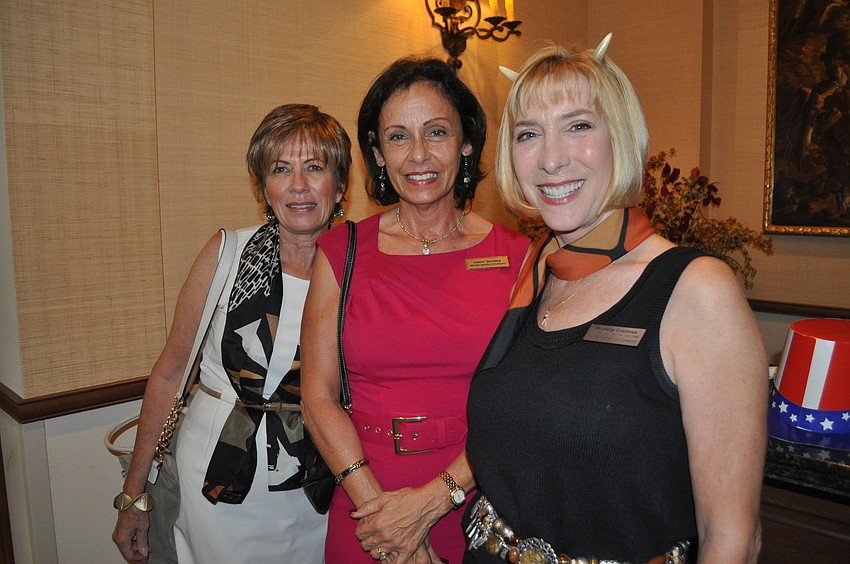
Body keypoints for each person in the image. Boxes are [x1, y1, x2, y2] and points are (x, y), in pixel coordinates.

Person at [464, 36, 767, 563]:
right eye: (529, 134)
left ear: (621, 137)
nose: (551, 160)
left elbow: (733, 537)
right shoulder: (535, 276)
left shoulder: (696, 289)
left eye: (578, 126)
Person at [300, 56, 531, 563]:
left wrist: (431, 502)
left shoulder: (519, 257)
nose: (418, 155)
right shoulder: (340, 252)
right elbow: (317, 397)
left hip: (480, 503)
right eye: (398, 137)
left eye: (437, 132)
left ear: (466, 143)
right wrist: (384, 516)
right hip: (367, 506)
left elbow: (525, 403)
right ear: (378, 154)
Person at [113, 103, 352, 563]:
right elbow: (169, 375)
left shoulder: (360, 269)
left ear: (339, 185)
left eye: (315, 168)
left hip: (319, 489)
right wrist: (134, 495)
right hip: (216, 485)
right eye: (281, 169)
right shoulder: (227, 253)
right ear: (263, 185)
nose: (298, 186)